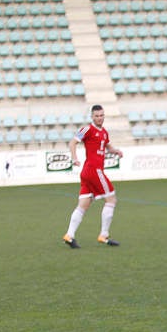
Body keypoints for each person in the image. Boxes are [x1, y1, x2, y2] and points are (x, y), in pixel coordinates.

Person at [62, 104, 123, 248]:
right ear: (92, 117)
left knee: (84, 204)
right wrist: (74, 158)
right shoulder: (88, 129)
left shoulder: (104, 132)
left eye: (101, 115)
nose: (99, 118)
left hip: (88, 172)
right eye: (96, 116)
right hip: (93, 170)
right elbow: (72, 143)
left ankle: (69, 236)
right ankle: (104, 234)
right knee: (111, 199)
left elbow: (107, 146)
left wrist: (116, 151)